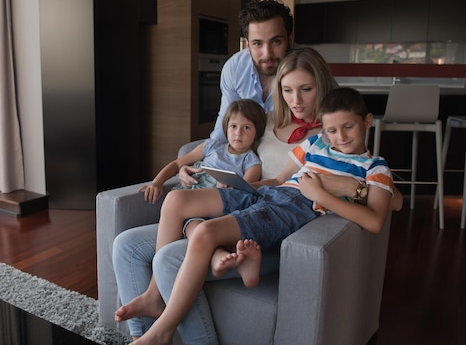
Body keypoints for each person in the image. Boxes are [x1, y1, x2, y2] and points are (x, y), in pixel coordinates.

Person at [113, 47, 351, 343]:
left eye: (306, 89)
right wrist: (189, 167)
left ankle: (166, 328)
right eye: (288, 90)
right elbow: (225, 143)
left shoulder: (336, 133)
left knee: (169, 260)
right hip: (240, 199)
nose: (296, 100)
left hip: (272, 224)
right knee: (126, 245)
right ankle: (141, 329)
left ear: (322, 86)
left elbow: (357, 178)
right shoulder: (267, 119)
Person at [131, 87, 396, 345]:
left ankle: (163, 331)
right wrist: (243, 185)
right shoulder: (315, 143)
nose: (340, 137)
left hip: (293, 209)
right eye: (332, 130)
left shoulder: (374, 167)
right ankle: (155, 295)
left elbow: (375, 221)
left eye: (348, 127)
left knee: (204, 232)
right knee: (176, 199)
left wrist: (321, 194)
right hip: (270, 194)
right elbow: (280, 179)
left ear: (367, 121)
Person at [139, 99, 267, 205]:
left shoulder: (252, 163)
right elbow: (177, 164)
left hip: (210, 203)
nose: (238, 133)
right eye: (233, 126)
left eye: (246, 127)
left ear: (257, 132)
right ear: (226, 128)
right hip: (183, 196)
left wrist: (228, 188)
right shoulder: (211, 146)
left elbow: (243, 194)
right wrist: (157, 182)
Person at [209, 0, 294, 141]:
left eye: (276, 41)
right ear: (247, 45)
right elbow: (226, 121)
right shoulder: (235, 68)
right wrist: (211, 158)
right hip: (246, 146)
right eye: (257, 44)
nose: (267, 53)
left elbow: (334, 115)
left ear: (290, 40)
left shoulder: (309, 68)